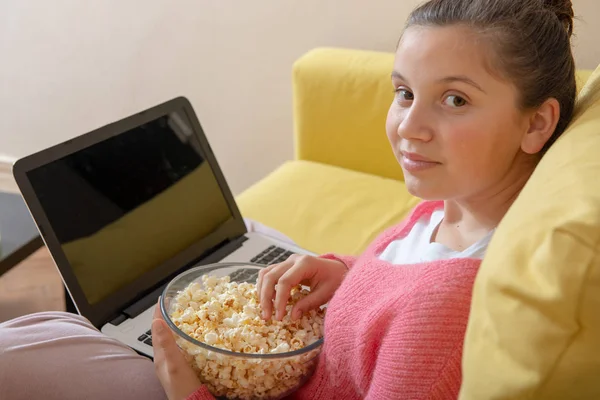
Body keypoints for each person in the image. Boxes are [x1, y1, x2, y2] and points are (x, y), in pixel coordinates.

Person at [0, 0, 577, 399]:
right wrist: (344, 272)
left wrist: (189, 391)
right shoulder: (451, 204)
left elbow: (418, 310)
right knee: (54, 328)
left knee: (23, 355)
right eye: (403, 92)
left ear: (536, 123)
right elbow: (401, 281)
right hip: (290, 361)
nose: (409, 127)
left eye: (454, 100)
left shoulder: (442, 321)